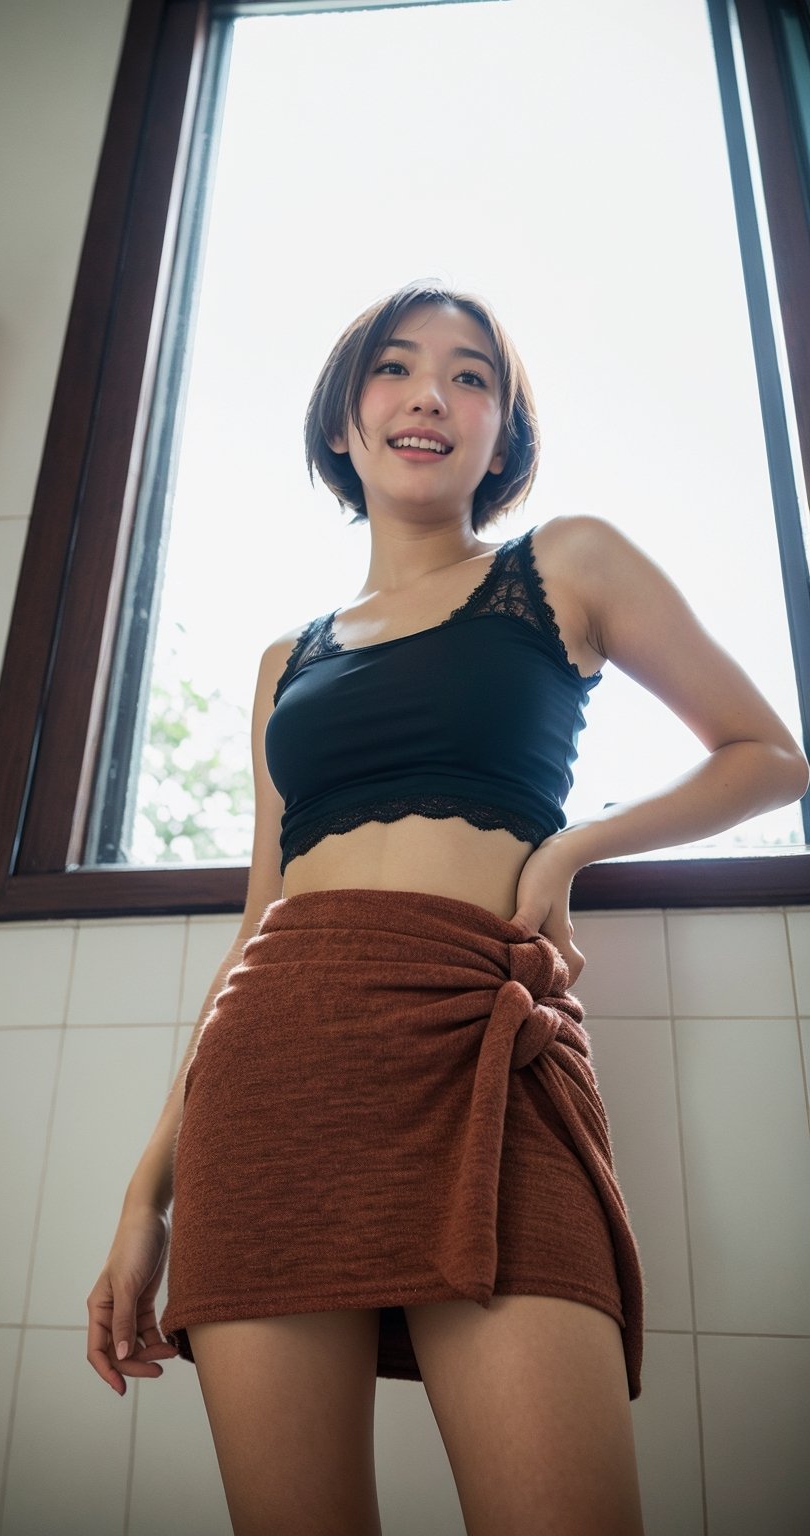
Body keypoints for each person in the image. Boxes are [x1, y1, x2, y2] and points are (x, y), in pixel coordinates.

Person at [86, 281, 808, 1536]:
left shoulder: (562, 565)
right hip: (273, 1076)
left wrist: (576, 846)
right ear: (342, 421)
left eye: (472, 376)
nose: (431, 393)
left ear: (502, 433)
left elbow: (767, 752)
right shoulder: (287, 662)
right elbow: (258, 922)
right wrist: (147, 1191)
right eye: (397, 367)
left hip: (482, 1050)